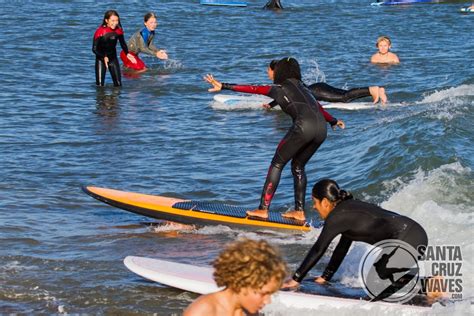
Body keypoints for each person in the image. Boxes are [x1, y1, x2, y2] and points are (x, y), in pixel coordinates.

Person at [205, 58, 345, 221]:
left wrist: (223, 86)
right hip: (321, 129)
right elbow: (318, 107)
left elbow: (253, 89)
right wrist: (333, 120)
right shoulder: (303, 87)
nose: (268, 72)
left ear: (279, 72)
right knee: (298, 166)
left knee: (277, 164)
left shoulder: (279, 88)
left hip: (303, 127)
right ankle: (299, 211)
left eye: (270, 70)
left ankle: (263, 209)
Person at [282, 179, 428, 289]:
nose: (313, 207)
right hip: (415, 234)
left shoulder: (336, 216)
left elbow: (318, 249)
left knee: (377, 283)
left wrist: (296, 279)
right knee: (381, 276)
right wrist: (325, 277)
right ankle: (428, 284)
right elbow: (342, 248)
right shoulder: (347, 212)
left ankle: (427, 285)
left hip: (407, 239)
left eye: (315, 202)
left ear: (325, 202)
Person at [183, 238, 287, 316]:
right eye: (264, 294)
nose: (268, 301)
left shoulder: (249, 311)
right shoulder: (204, 311)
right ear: (243, 282)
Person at [265, 60, 387, 107]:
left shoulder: (283, 82)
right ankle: (377, 91)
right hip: (318, 87)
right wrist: (272, 105)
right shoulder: (288, 79)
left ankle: (372, 90)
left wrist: (271, 105)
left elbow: (281, 94)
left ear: (274, 70)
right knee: (345, 94)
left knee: (344, 98)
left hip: (317, 91)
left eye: (268, 70)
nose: (267, 73)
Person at [92, 10, 136, 87]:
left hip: (113, 58)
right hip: (101, 59)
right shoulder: (100, 32)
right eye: (112, 20)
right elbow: (94, 49)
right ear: (106, 20)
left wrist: (127, 53)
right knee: (100, 86)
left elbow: (123, 43)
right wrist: (104, 57)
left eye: (117, 20)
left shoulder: (118, 31)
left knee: (118, 85)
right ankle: (102, 99)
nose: (115, 23)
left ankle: (115, 99)